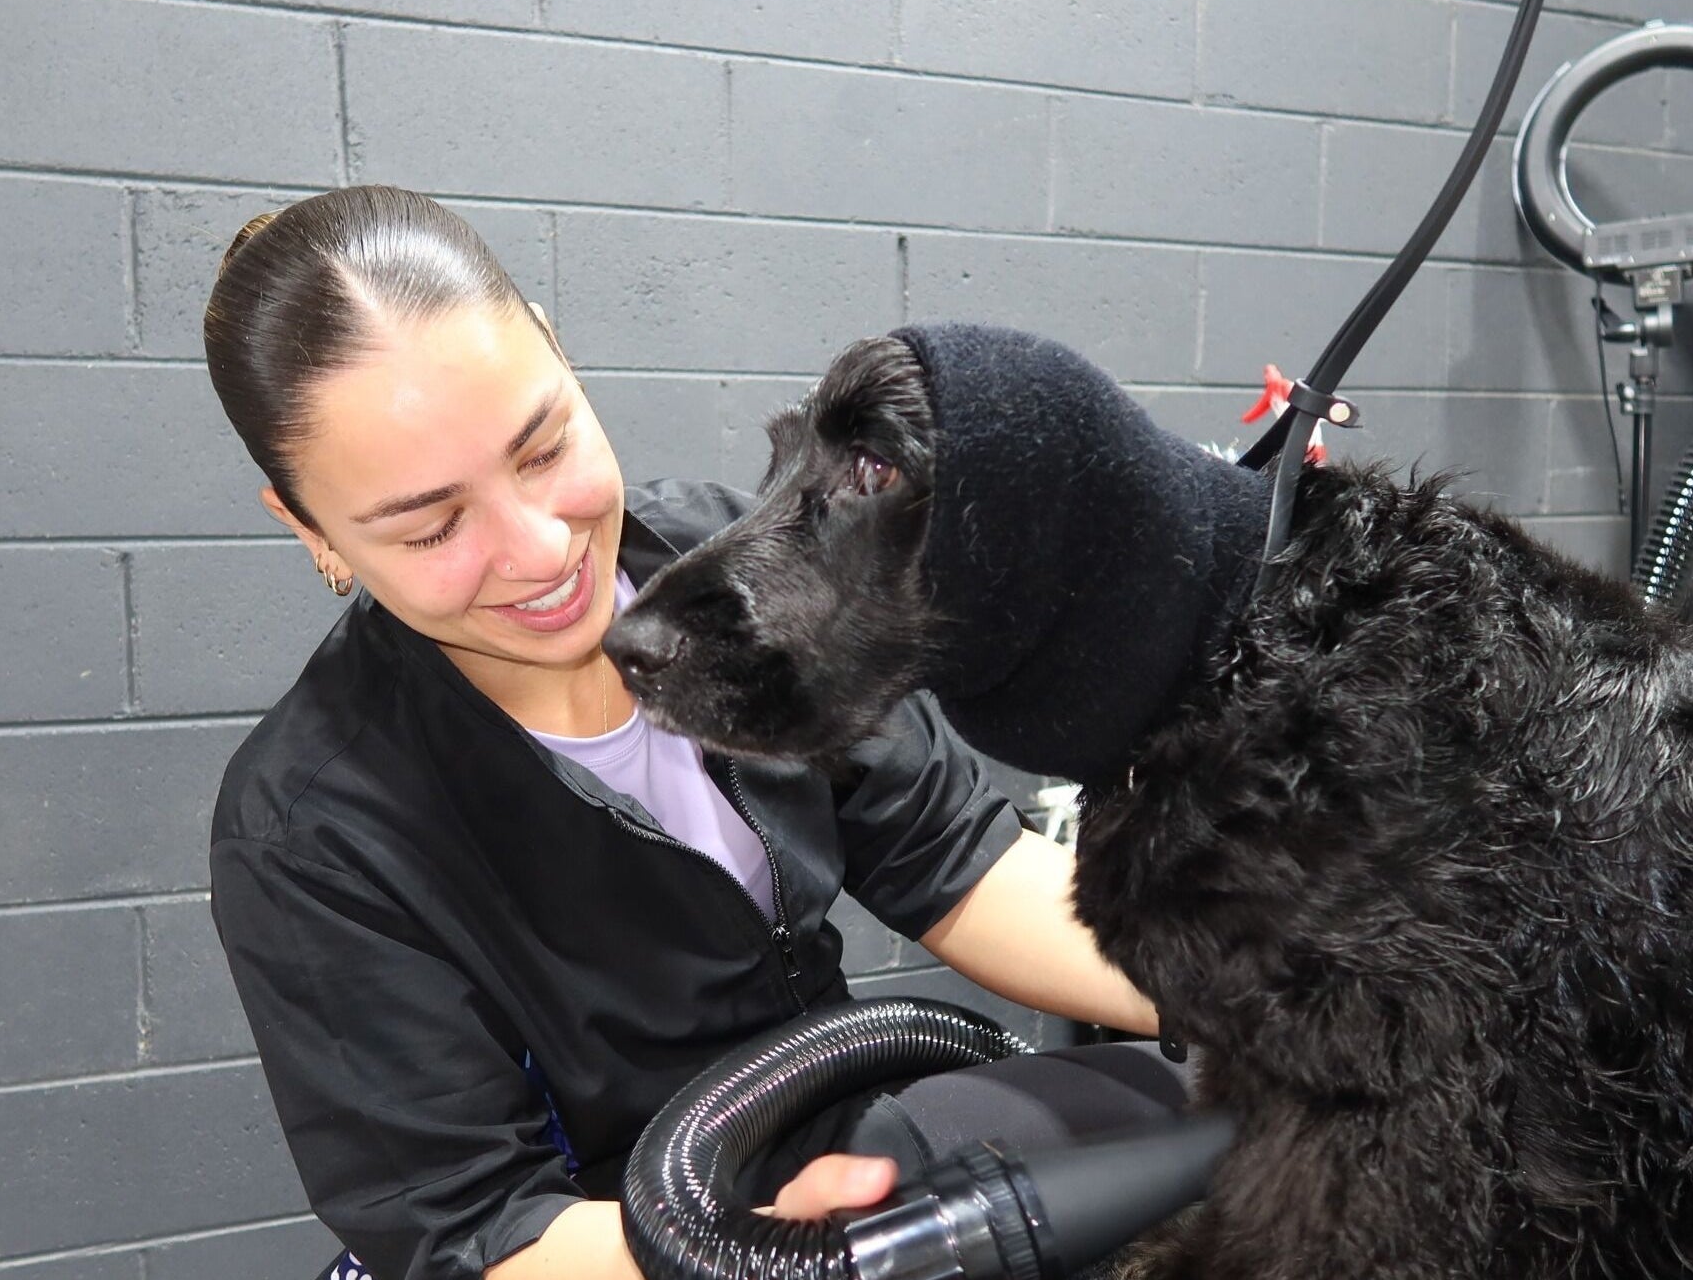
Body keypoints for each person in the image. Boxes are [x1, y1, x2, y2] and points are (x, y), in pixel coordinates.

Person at [201, 185, 1188, 1280]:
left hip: (833, 1121)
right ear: (309, 527)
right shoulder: (311, 829)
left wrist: (1279, 997)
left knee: (1190, 1123)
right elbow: (470, 1231)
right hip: (615, 1237)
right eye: (434, 523)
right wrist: (744, 1249)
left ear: (562, 356)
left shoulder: (719, 571)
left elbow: (961, 864)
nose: (538, 550)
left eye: (543, 449)